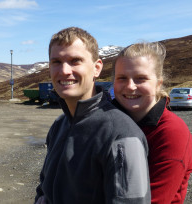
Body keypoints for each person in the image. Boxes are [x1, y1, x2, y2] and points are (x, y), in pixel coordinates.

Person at [34, 27, 151, 204]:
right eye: (56, 61)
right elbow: (44, 190)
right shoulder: (59, 125)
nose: (64, 70)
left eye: (75, 61)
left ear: (96, 68)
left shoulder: (122, 134)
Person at [112, 42, 192, 204]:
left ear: (158, 84)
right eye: (122, 78)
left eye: (140, 79)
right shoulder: (108, 121)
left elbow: (154, 200)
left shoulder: (171, 132)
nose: (130, 86)